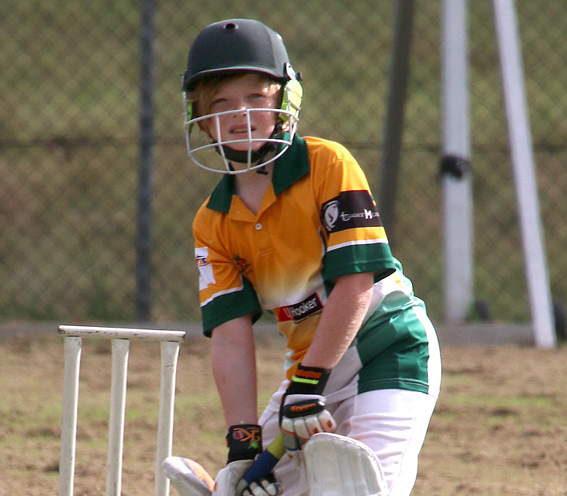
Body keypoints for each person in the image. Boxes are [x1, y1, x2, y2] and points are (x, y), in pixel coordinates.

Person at [182, 18, 441, 496]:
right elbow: (231, 337)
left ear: (285, 100)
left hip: (389, 351)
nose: (239, 114)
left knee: (360, 487)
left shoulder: (328, 164)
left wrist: (307, 386)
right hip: (309, 369)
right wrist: (243, 443)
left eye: (255, 98)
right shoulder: (211, 222)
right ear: (199, 117)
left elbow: (356, 284)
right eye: (220, 102)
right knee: (252, 486)